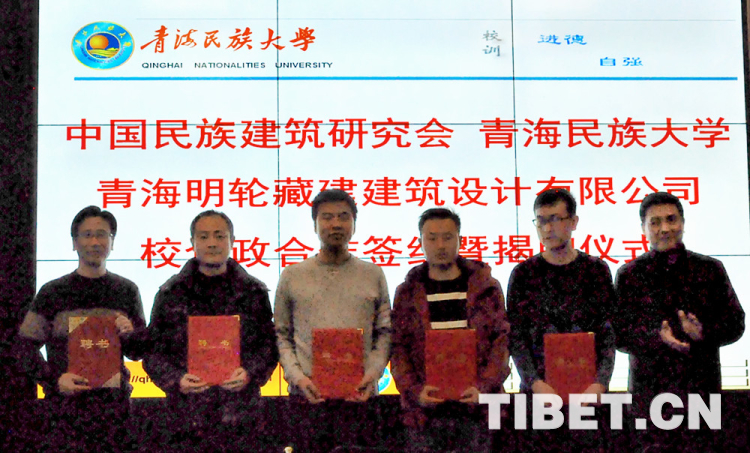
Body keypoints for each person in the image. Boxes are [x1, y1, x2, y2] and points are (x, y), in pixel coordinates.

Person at [615, 192, 745, 451]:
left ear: (683, 223)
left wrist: (703, 333)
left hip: (701, 391)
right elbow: (618, 335)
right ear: (643, 229)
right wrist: (657, 337)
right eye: (655, 222)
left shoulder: (710, 269)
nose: (664, 229)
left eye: (671, 219)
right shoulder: (629, 275)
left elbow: (736, 323)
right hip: (649, 396)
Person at [16, 206, 148, 452]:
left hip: (115, 413)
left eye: (102, 235)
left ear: (112, 242)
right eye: (87, 235)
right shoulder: (53, 292)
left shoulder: (127, 290)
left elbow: (137, 351)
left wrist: (130, 332)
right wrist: (54, 381)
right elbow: (24, 347)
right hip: (64, 413)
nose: (95, 242)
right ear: (74, 243)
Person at [144, 210, 278, 451]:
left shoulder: (253, 292)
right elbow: (152, 352)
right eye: (204, 237)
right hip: (186, 419)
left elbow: (269, 346)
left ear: (232, 241)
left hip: (241, 417)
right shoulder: (171, 293)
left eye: (219, 236)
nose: (212, 243)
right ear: (192, 242)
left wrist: (249, 373)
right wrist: (177, 380)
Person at [274, 189, 391, 453]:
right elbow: (281, 334)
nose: (336, 224)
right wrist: (297, 378)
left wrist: (373, 374)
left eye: (343, 217)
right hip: (308, 399)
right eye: (327, 217)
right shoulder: (293, 275)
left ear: (354, 224)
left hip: (360, 399)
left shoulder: (373, 274)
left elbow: (385, 332)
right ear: (314, 225)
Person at [391, 208, 510, 453]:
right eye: (432, 238)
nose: (440, 245)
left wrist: (484, 387)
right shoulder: (408, 292)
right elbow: (398, 347)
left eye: (447, 237)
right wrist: (414, 391)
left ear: (460, 240)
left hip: (478, 409)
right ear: (420, 242)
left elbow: (501, 341)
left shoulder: (485, 287)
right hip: (425, 411)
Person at [507, 189, 616, 452]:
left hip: (587, 396)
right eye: (541, 221)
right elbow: (516, 338)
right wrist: (535, 383)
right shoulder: (523, 274)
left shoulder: (596, 270)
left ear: (573, 222)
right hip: (538, 397)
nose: (547, 228)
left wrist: (601, 382)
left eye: (555, 219)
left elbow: (608, 334)